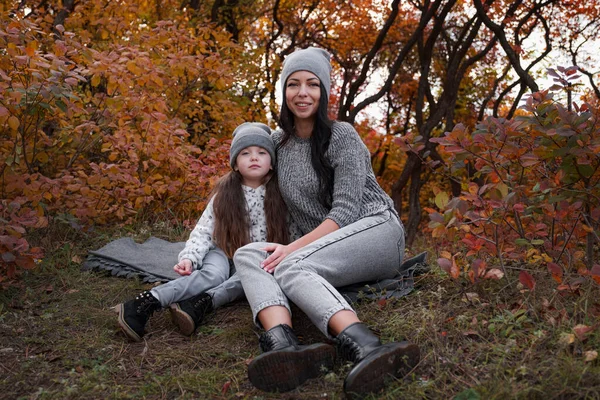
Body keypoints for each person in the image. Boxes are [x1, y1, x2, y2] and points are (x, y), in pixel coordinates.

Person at [233, 47, 420, 398]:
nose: (302, 93)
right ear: (283, 92)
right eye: (293, 84)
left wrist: (291, 250)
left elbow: (346, 212)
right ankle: (283, 347)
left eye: (312, 84)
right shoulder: (277, 143)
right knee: (247, 255)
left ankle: (368, 346)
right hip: (324, 247)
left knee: (290, 266)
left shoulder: (342, 135)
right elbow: (249, 171)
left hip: (376, 231)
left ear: (325, 92)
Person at [116, 122, 296, 342]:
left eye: (261, 152)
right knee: (214, 275)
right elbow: (203, 231)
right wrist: (190, 257)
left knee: (253, 276)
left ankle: (198, 304)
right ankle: (145, 302)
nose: (254, 157)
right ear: (236, 164)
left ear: (271, 164)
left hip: (255, 259)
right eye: (245, 153)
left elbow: (293, 232)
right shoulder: (225, 194)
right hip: (223, 251)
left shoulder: (281, 194)